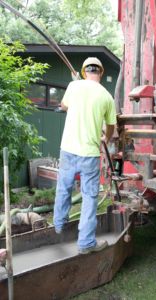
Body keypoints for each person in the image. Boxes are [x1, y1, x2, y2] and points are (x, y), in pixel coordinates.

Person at [53, 57, 117, 254]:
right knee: (89, 197)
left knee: (64, 188)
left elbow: (64, 106)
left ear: (83, 72)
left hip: (68, 150)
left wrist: (75, 85)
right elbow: (112, 126)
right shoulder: (107, 96)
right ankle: (86, 243)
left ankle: (59, 225)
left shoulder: (74, 86)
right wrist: (105, 137)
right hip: (89, 154)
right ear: (101, 72)